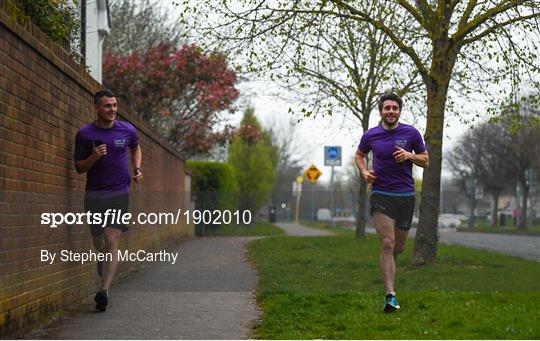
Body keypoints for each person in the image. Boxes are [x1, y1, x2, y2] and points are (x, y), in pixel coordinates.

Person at [355, 92, 429, 313]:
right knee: (387, 243)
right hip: (381, 193)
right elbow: (359, 155)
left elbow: (425, 160)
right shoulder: (371, 135)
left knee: (398, 246)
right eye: (387, 108)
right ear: (381, 111)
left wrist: (409, 156)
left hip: (405, 196)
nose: (390, 111)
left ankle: (390, 267)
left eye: (394, 108)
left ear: (399, 111)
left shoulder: (411, 133)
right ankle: (390, 295)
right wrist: (364, 171)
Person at [74, 90, 143, 311]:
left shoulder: (127, 129)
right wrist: (93, 157)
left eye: (114, 105)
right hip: (94, 194)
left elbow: (136, 147)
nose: (112, 110)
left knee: (111, 239)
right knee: (99, 243)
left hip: (119, 192)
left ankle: (103, 291)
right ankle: (101, 260)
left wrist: (137, 168)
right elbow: (78, 168)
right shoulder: (85, 134)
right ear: (96, 107)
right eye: (107, 106)